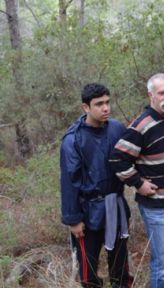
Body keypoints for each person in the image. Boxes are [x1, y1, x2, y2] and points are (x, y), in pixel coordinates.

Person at [110, 73, 164, 288]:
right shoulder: (142, 125)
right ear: (151, 95)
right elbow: (117, 159)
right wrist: (139, 183)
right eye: (162, 93)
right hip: (156, 206)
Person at [60, 83, 133, 288]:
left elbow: (135, 154)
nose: (106, 108)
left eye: (108, 102)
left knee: (120, 264)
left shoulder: (117, 128)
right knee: (88, 271)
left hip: (115, 206)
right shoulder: (73, 139)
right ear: (86, 108)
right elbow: (69, 181)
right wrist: (73, 219)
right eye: (99, 104)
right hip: (88, 212)